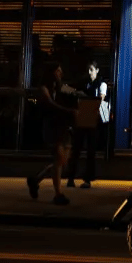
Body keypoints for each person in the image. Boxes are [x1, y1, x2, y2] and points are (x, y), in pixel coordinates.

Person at [27, 63, 76, 206]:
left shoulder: (61, 87)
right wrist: (69, 111)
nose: (61, 73)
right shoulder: (44, 88)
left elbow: (75, 92)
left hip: (64, 127)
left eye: (61, 71)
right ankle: (58, 194)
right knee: (59, 157)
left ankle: (35, 180)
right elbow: (50, 104)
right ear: (51, 72)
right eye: (58, 71)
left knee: (61, 162)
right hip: (52, 127)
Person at [67, 60, 109, 189]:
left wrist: (84, 96)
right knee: (77, 148)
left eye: (92, 70)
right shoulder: (85, 83)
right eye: (88, 70)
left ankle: (87, 179)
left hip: (93, 117)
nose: (90, 72)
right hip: (84, 115)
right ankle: (71, 177)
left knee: (90, 150)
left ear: (97, 70)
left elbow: (100, 99)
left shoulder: (101, 84)